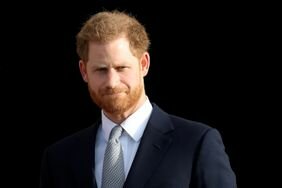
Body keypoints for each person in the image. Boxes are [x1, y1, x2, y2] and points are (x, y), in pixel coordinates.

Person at [40, 10, 237, 188]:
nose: (111, 82)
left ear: (144, 64)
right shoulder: (59, 158)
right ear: (84, 71)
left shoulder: (195, 144)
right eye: (101, 70)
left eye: (121, 68)